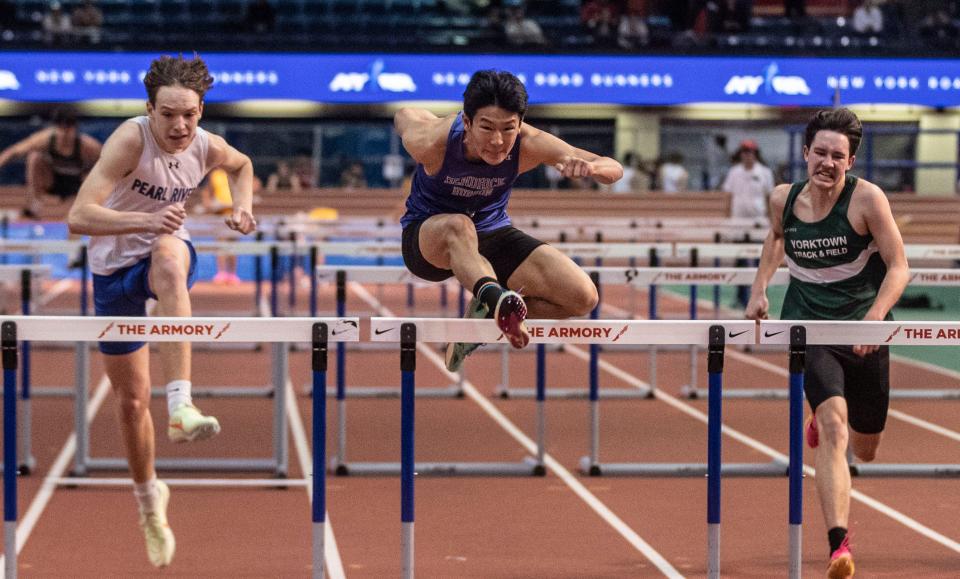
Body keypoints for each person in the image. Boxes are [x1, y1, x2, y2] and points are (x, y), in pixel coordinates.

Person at [66, 54, 257, 568]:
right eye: (168, 114)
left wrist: (243, 205)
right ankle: (150, 503)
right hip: (113, 269)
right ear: (149, 109)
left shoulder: (206, 145)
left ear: (201, 112)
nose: (179, 126)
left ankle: (181, 407)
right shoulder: (130, 140)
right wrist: (143, 221)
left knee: (172, 258)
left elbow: (243, 165)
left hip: (161, 253)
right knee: (130, 403)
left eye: (189, 115)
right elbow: (78, 216)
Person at [745, 108, 909, 579]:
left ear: (850, 161)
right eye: (820, 152)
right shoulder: (783, 198)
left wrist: (874, 320)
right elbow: (776, 239)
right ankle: (839, 546)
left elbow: (899, 266)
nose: (828, 162)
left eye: (838, 155)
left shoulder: (868, 201)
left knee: (867, 445)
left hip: (862, 329)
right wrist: (760, 288)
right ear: (805, 153)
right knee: (835, 430)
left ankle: (826, 416)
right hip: (809, 328)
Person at [394, 69, 623, 371]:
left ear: (520, 124)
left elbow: (613, 169)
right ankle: (494, 296)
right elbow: (404, 114)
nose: (498, 142)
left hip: (491, 232)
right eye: (486, 128)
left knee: (582, 297)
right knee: (458, 225)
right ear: (467, 122)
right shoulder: (432, 142)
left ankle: (490, 310)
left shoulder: (530, 143)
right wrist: (429, 118)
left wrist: (591, 170)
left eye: (508, 129)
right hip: (429, 239)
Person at [0, 108, 102, 219]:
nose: (64, 134)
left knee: (98, 170)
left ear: (74, 129)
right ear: (55, 128)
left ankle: (84, 205)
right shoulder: (45, 139)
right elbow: (13, 151)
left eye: (68, 129)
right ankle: (35, 203)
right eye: (61, 128)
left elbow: (107, 160)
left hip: (76, 184)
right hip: (52, 181)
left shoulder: (87, 146)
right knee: (34, 157)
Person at [722, 139, 775, 308]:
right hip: (738, 223)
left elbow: (770, 198)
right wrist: (728, 221)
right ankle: (740, 297)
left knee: (761, 261)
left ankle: (761, 295)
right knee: (740, 261)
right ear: (741, 154)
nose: (747, 155)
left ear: (755, 154)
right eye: (744, 152)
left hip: (758, 223)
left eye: (750, 152)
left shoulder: (765, 173)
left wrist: (772, 221)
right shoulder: (734, 172)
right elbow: (728, 197)